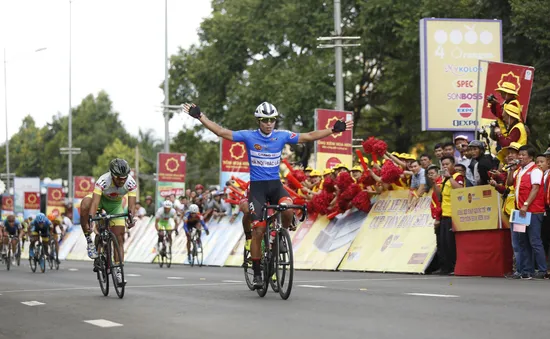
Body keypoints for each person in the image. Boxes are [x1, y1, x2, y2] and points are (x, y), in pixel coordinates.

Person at [182, 101, 353, 287]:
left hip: (275, 185)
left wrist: (333, 129)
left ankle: (278, 237)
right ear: (258, 121)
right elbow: (222, 132)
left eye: (272, 120)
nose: (269, 123)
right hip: (258, 189)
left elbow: (310, 136)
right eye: (265, 120)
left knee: (288, 210)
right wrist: (201, 117)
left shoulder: (282, 136)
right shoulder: (248, 136)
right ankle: (257, 273)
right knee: (259, 229)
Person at [79, 158, 136, 285]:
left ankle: (118, 270)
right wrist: (91, 219)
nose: (122, 180)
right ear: (112, 175)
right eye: (119, 178)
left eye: (124, 178)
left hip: (114, 205)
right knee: (84, 204)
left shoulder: (131, 182)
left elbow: (132, 206)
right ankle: (89, 240)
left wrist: (131, 218)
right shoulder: (103, 181)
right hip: (99, 201)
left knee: (119, 237)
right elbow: (94, 203)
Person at [507, 146, 547, 279]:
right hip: (520, 212)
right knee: (521, 241)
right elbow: (509, 183)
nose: (520, 157)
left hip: (533, 211)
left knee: (534, 241)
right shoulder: (519, 170)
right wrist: (510, 170)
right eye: (520, 154)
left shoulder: (535, 170)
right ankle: (526, 270)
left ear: (530, 157)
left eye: (523, 155)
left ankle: (542, 270)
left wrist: (525, 205)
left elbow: (535, 189)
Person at [433, 156, 464, 275]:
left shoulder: (457, 176)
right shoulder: (443, 179)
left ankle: (453, 267)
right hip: (444, 214)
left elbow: (460, 189)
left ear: (453, 164)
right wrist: (435, 182)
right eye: (443, 165)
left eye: (447, 164)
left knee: (451, 243)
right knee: (444, 243)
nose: (445, 166)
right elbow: (439, 195)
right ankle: (445, 267)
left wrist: (449, 177)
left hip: (453, 214)